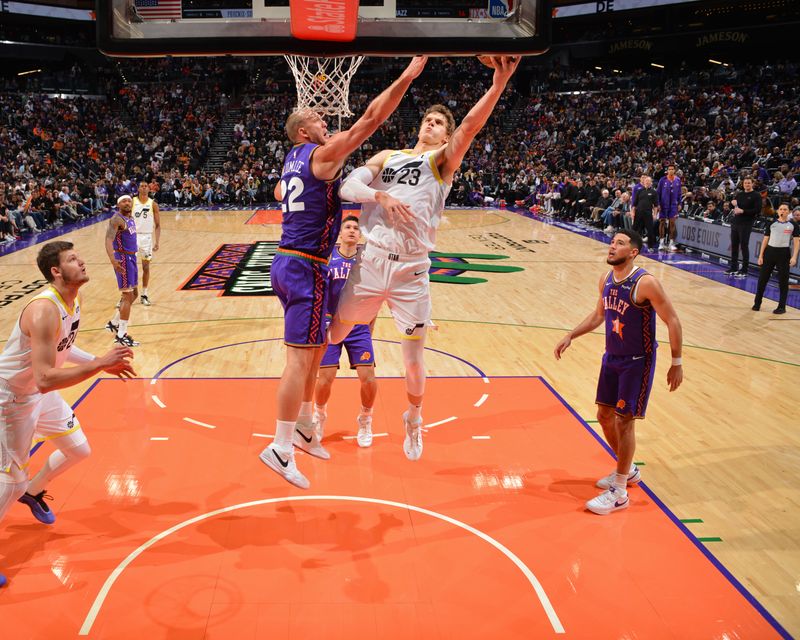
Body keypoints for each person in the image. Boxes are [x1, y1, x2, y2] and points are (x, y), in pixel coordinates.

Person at [329, 56, 521, 462]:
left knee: (413, 362)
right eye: (428, 120)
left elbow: (471, 126)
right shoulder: (388, 156)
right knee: (332, 336)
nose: (430, 124)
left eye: (439, 123)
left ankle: (413, 418)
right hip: (372, 262)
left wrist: (499, 83)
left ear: (446, 136)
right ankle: (313, 414)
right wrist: (378, 194)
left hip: (411, 271)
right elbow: (348, 186)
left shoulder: (441, 163)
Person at [258, 56, 428, 489]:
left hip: (293, 262)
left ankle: (303, 429)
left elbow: (283, 191)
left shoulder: (292, 160)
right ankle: (278, 447)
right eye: (316, 118)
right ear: (303, 132)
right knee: (299, 362)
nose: (324, 120)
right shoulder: (320, 155)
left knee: (314, 354)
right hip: (304, 266)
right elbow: (368, 120)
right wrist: (407, 77)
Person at [0, 241, 135, 587]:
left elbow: (65, 346)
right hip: (13, 398)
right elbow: (44, 378)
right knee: (9, 480)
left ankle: (33, 491)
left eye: (80, 256)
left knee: (78, 449)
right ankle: (21, 488)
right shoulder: (44, 309)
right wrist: (98, 364)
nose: (82, 261)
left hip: (38, 394)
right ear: (56, 272)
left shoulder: (71, 302)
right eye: (73, 259)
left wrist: (98, 363)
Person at [554, 229, 683, 515]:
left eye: (620, 244)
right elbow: (599, 315)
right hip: (611, 357)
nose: (612, 246)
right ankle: (628, 469)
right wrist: (571, 335)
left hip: (638, 360)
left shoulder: (645, 283)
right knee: (603, 415)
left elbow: (672, 320)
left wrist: (677, 362)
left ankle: (620, 491)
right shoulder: (606, 279)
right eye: (612, 242)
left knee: (625, 421)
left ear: (633, 252)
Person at [314, 217, 377, 447]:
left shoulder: (367, 260)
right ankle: (319, 415)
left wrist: (372, 320)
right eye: (347, 227)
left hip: (358, 325)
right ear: (340, 233)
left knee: (368, 378)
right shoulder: (329, 257)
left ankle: (365, 419)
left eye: (355, 228)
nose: (352, 231)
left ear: (360, 235)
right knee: (325, 379)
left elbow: (374, 292)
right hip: (330, 325)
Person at [104, 195, 140, 347]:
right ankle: (121, 335)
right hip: (123, 258)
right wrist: (113, 260)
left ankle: (113, 322)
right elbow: (108, 240)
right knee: (127, 295)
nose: (127, 203)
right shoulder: (116, 219)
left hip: (132, 257)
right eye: (124, 201)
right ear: (118, 204)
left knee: (134, 293)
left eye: (129, 201)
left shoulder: (130, 218)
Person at [752, 203, 800, 314]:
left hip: (784, 254)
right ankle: (757, 303)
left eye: (785, 209)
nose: (783, 211)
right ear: (778, 211)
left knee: (783, 281)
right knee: (762, 279)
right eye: (781, 209)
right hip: (770, 252)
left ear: (789, 212)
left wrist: (794, 257)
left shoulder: (793, 225)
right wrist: (761, 255)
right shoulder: (771, 223)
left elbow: (797, 243)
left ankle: (782, 307)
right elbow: (765, 240)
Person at [726, 177, 762, 278]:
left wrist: (743, 211)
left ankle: (744, 270)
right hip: (736, 222)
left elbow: (757, 210)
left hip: (746, 223)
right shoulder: (740, 194)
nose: (747, 184)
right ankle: (733, 267)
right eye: (745, 183)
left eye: (749, 183)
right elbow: (731, 206)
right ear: (743, 184)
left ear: (752, 184)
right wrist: (731, 204)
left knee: (744, 246)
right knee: (734, 245)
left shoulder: (756, 195)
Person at [132, 181, 161, 306]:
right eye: (141, 186)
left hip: (147, 237)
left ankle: (144, 294)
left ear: (149, 189)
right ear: (138, 188)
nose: (144, 188)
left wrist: (157, 241)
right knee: (129, 268)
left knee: (146, 267)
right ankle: (126, 295)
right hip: (132, 236)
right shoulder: (131, 201)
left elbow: (158, 225)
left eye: (146, 186)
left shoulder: (153, 204)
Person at [657, 164, 681, 251]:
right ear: (667, 170)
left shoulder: (678, 180)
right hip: (663, 204)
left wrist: (680, 204)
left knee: (672, 223)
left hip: (673, 205)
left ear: (674, 170)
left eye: (672, 169)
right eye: (669, 169)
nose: (671, 170)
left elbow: (679, 194)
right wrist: (658, 204)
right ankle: (661, 243)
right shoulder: (662, 180)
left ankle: (671, 243)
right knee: (662, 222)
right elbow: (658, 193)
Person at [631, 175, 659, 251]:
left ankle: (650, 247)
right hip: (638, 213)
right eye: (646, 181)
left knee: (650, 230)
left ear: (651, 183)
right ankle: (632, 244)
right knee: (634, 229)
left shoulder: (654, 192)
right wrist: (632, 212)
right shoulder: (639, 191)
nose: (647, 182)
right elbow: (634, 204)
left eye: (648, 181)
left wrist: (655, 214)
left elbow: (656, 205)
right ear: (644, 182)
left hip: (648, 213)